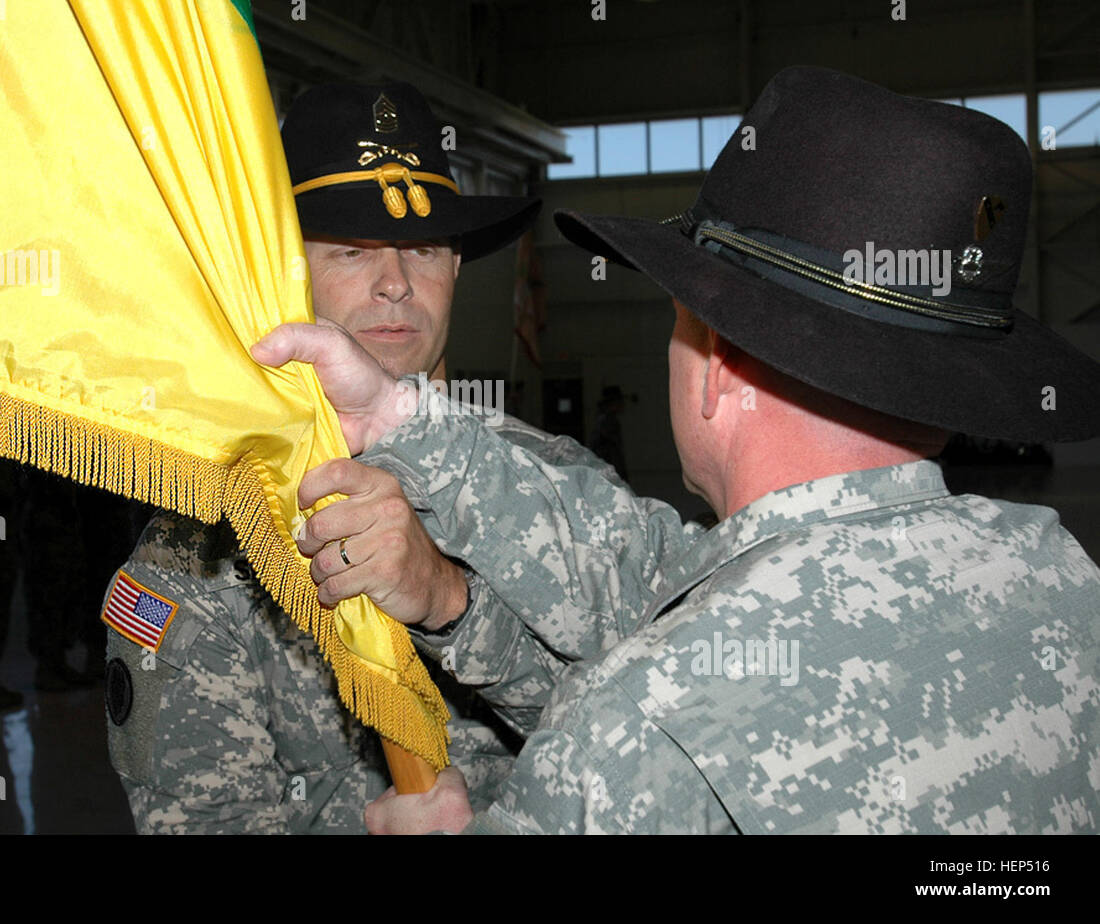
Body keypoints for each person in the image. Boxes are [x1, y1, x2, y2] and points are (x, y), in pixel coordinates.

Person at [253, 66, 1100, 834]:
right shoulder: (1062, 582)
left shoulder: (633, 733)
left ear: (716, 372)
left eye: (677, 313)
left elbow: (654, 636)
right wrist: (440, 566)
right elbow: (654, 574)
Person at [102, 81, 620, 833]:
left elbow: (664, 738)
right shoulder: (200, 559)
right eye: (351, 251)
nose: (395, 284)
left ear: (456, 270)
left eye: (421, 248)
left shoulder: (557, 487)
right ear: (283, 275)